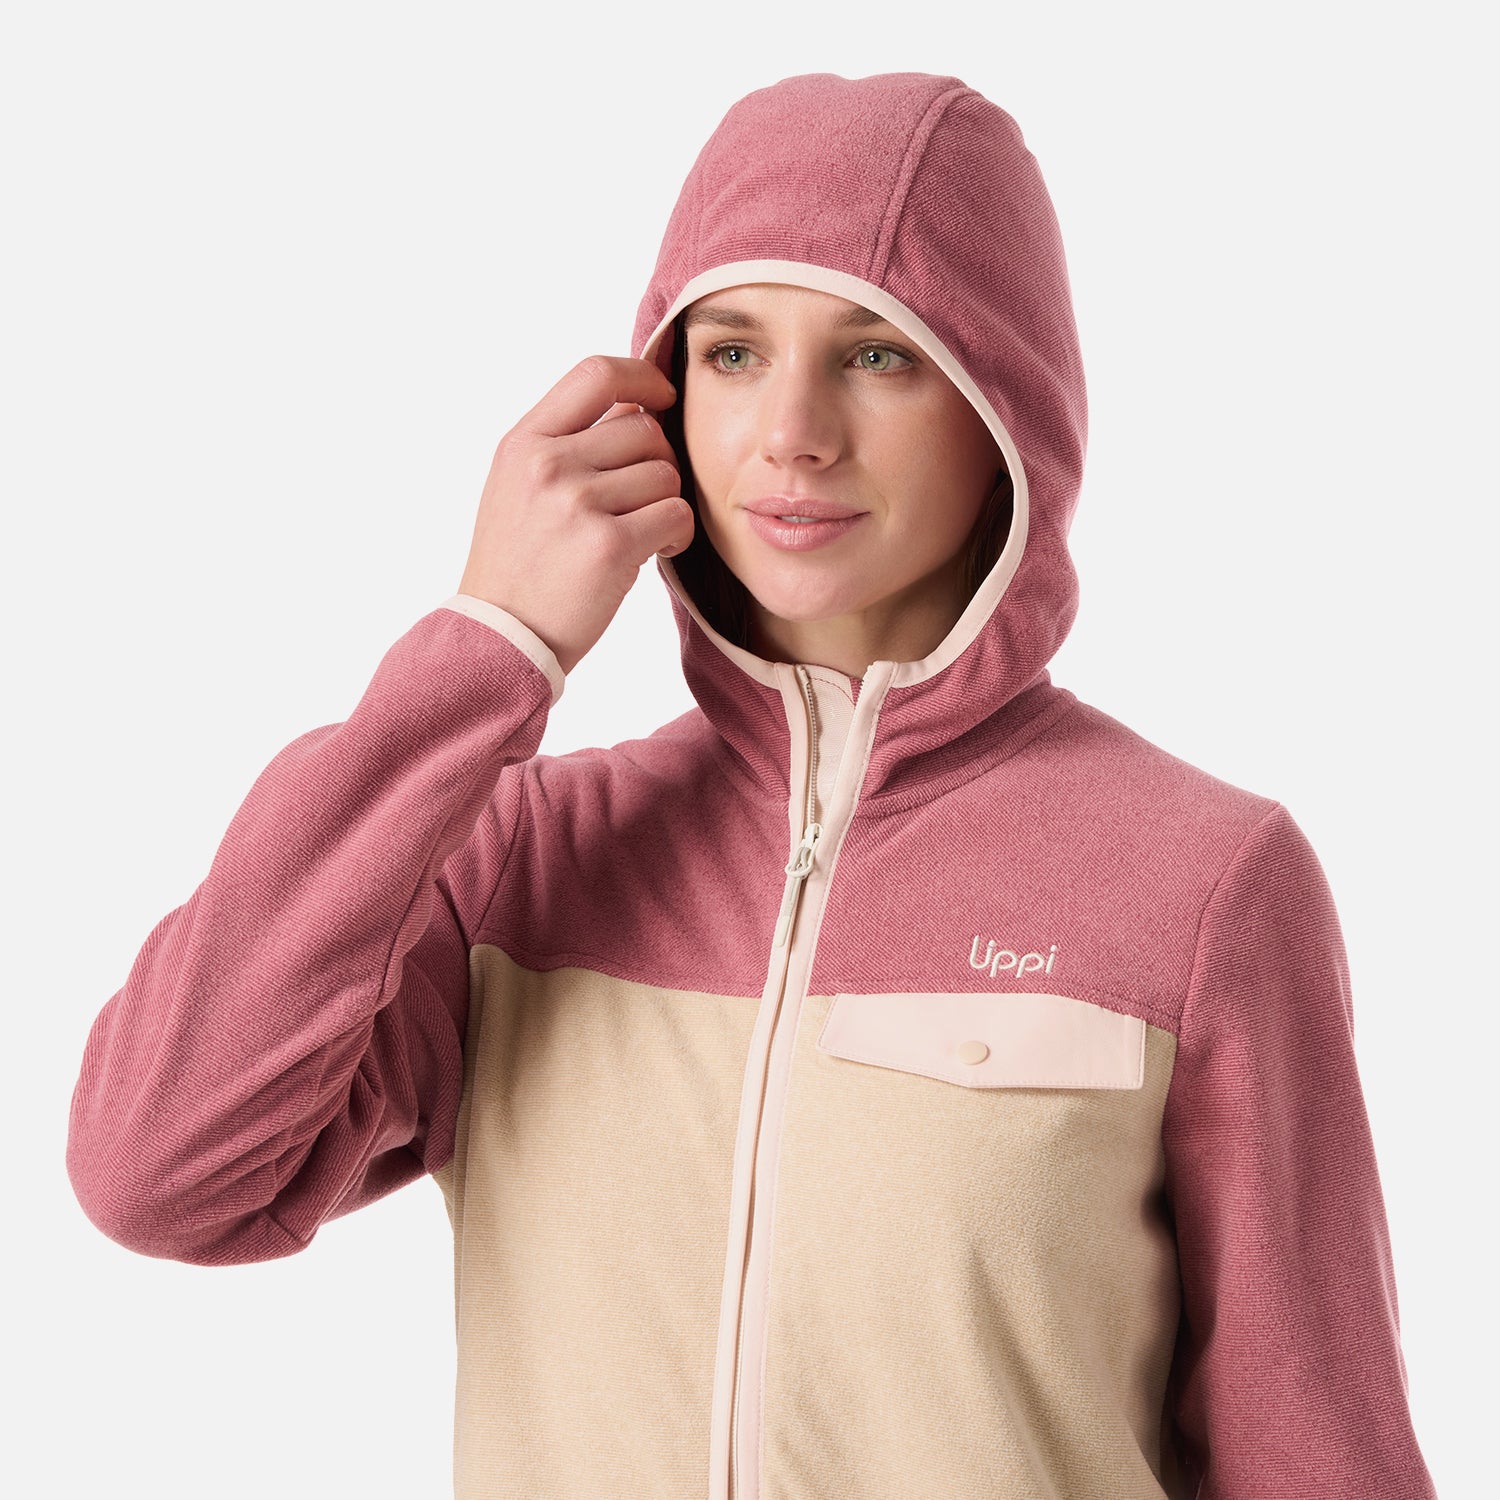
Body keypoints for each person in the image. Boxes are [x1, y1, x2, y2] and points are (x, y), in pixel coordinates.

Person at [65, 70, 1438, 1498]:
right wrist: (487, 650)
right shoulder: (521, 861)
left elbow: (1317, 1459)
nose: (792, 433)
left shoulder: (1200, 883)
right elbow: (158, 1173)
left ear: (1007, 412)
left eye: (880, 355)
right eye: (731, 352)